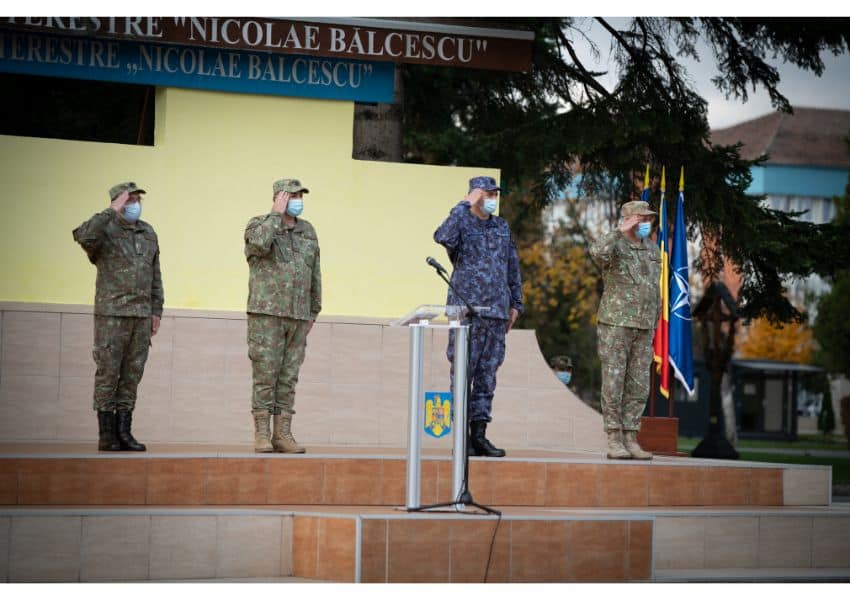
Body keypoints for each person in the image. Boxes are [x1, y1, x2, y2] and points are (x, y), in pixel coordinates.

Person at [434, 175, 524, 458]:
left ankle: (480, 435)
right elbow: (442, 236)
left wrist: (517, 304)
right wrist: (463, 205)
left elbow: (512, 266)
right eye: (487, 194)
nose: (493, 199)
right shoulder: (461, 221)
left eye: (495, 194)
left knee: (487, 377)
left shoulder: (501, 226)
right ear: (475, 195)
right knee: (462, 373)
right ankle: (461, 438)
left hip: (496, 312)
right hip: (466, 311)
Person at [72, 182, 163, 452]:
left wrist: (156, 310)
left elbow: (155, 274)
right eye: (130, 199)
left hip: (141, 315)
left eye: (137, 199)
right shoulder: (104, 230)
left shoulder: (148, 232)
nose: (135, 203)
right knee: (108, 374)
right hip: (112, 314)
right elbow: (84, 236)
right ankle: (106, 433)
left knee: (131, 375)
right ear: (117, 201)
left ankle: (125, 432)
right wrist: (110, 211)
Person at [244, 178, 321, 453]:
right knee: (266, 374)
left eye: (301, 195)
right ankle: (262, 433)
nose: (298, 199)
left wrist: (314, 310)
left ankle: (283, 434)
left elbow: (315, 271)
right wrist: (275, 215)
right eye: (293, 195)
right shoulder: (259, 225)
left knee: (288, 377)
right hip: (267, 314)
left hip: (298, 316)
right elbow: (258, 246)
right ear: (280, 198)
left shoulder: (308, 231)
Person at [589, 200, 661, 460]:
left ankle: (631, 437)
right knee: (614, 382)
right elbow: (596, 252)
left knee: (639, 384)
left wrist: (655, 319)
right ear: (630, 219)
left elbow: (654, 287)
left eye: (649, 219)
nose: (647, 223)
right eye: (642, 218)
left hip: (644, 326)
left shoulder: (652, 250)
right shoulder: (615, 246)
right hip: (616, 324)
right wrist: (618, 230)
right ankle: (614, 437)